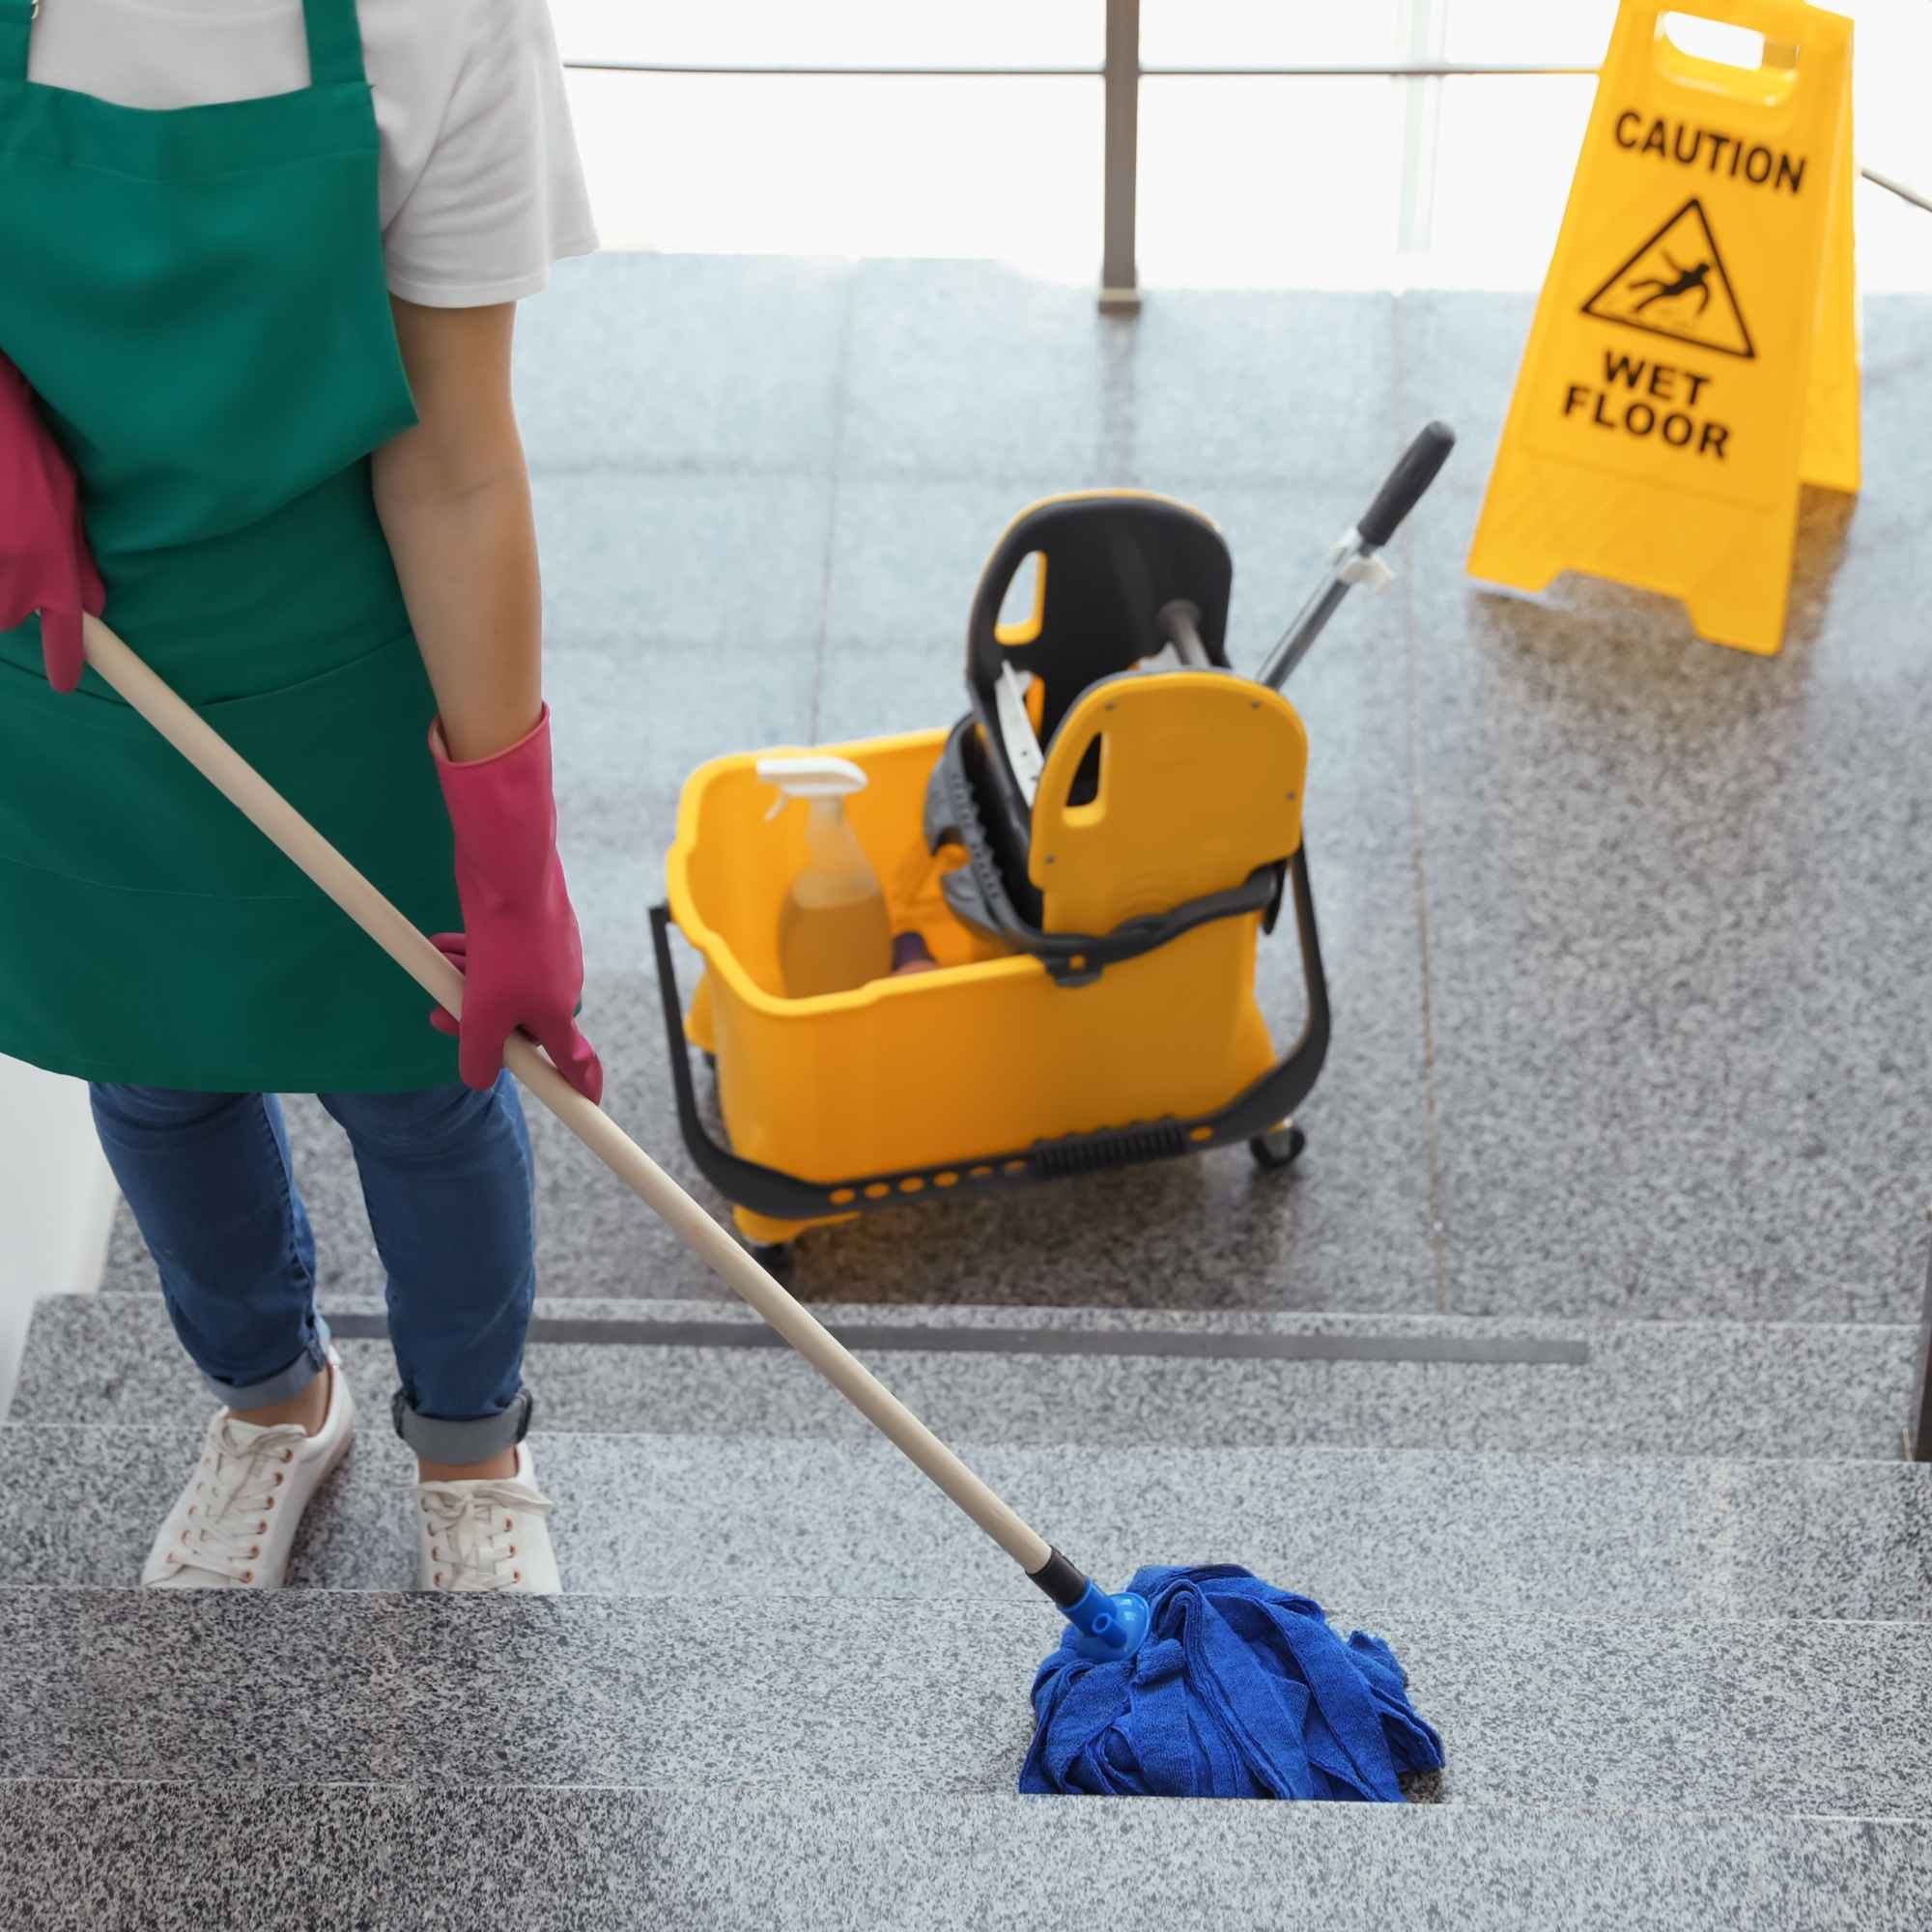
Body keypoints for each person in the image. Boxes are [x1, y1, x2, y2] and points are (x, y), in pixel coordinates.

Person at [0, 0, 604, 1594]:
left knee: (418, 1080)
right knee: (152, 1064)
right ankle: (276, 1405)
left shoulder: (444, 21)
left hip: (344, 659)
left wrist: (511, 845)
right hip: (72, 671)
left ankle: (473, 1449)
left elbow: (457, 459)